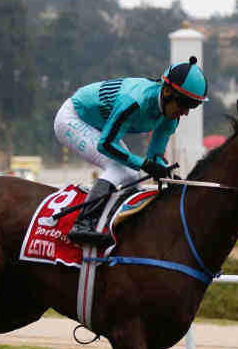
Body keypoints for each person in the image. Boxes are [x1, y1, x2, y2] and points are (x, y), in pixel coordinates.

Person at [54, 56, 209, 246]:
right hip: (73, 118)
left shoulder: (171, 117)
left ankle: (119, 226)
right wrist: (145, 164)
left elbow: (154, 157)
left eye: (193, 106)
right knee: (119, 169)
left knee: (133, 176)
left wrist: (167, 175)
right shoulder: (134, 101)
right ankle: (82, 224)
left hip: (100, 126)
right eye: (184, 103)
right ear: (167, 91)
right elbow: (106, 145)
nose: (185, 112)